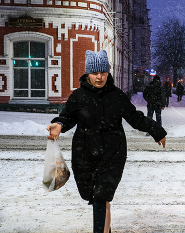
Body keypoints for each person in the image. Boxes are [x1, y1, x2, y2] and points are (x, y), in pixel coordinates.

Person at [46, 50, 167, 233]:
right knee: (94, 197)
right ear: (88, 74)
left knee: (101, 196)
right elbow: (67, 117)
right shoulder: (78, 96)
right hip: (84, 154)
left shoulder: (117, 96)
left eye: (103, 72)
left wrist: (156, 130)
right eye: (95, 73)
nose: (100, 77)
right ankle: (105, 229)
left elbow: (135, 117)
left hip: (113, 153)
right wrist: (59, 124)